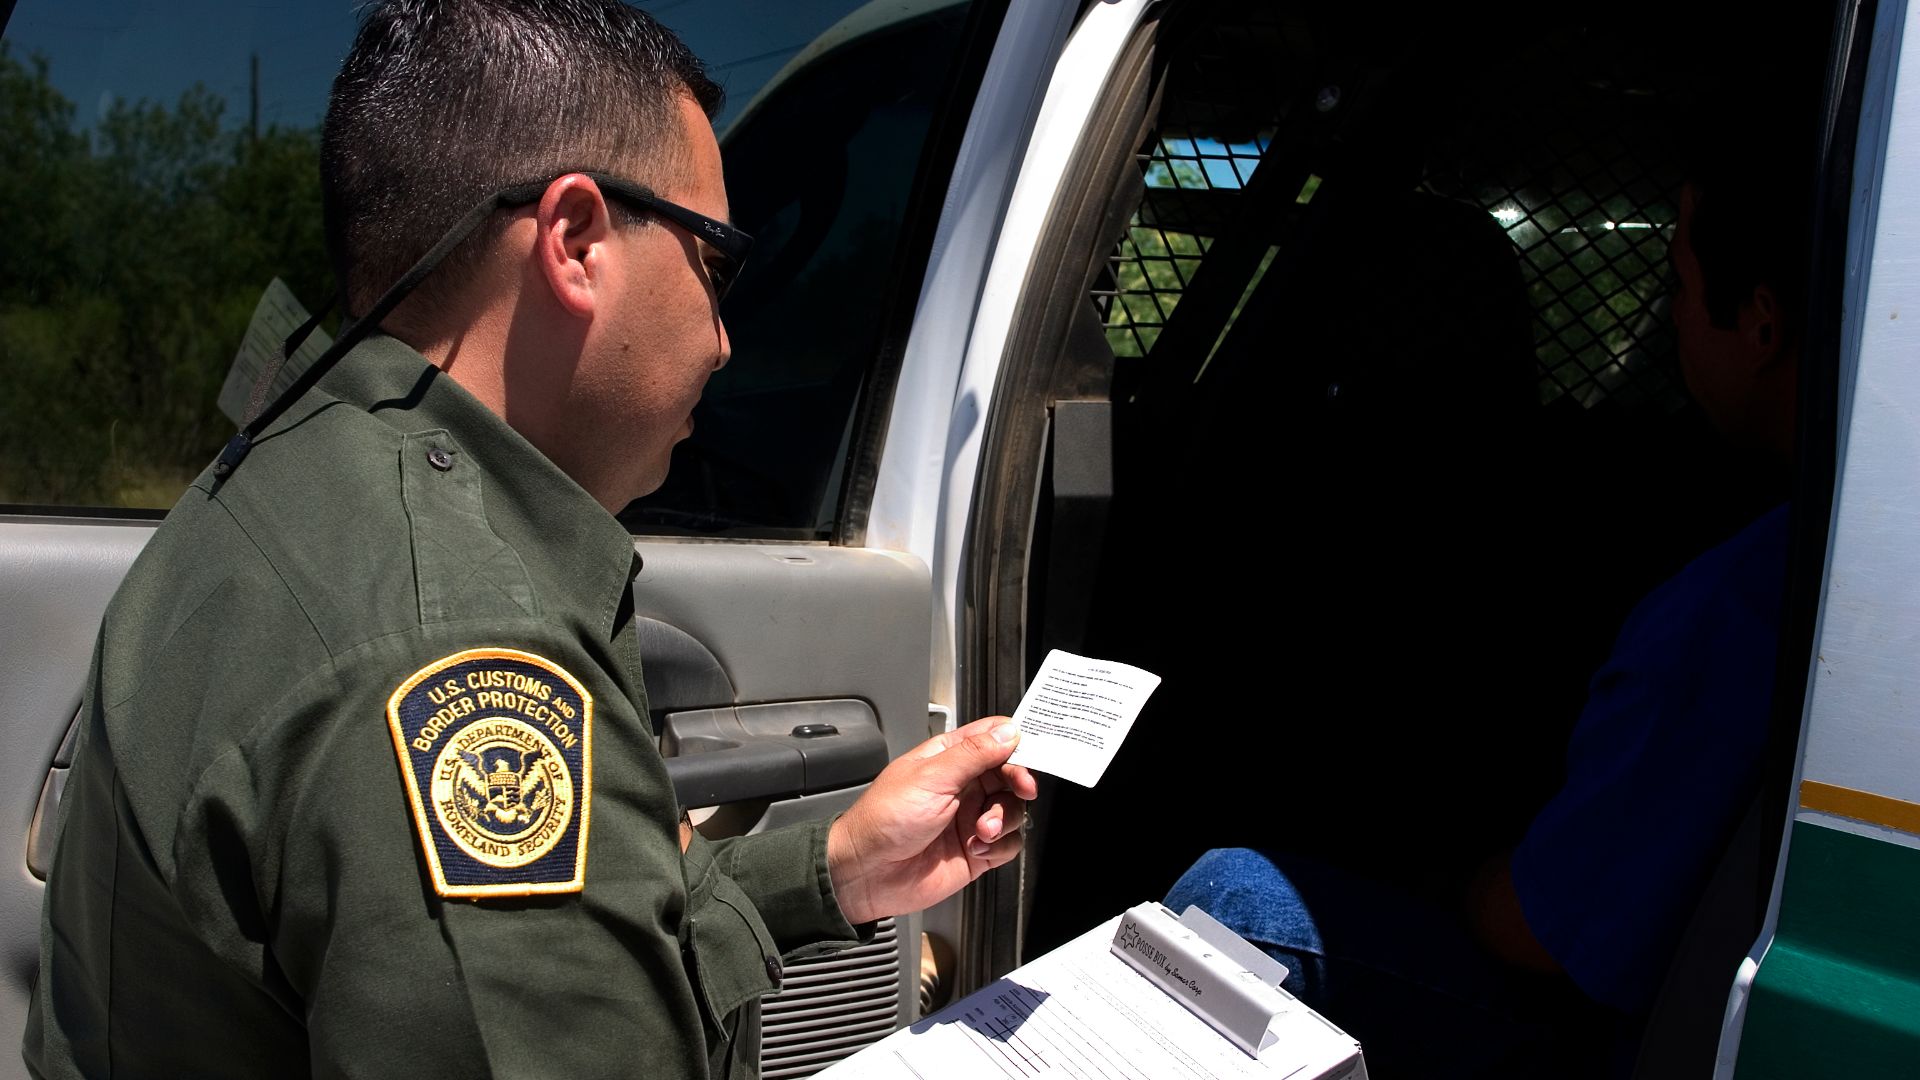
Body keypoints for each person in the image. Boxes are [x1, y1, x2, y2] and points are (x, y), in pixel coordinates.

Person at [24, 2, 1034, 1078]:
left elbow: (587, 944)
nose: (724, 339)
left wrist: (835, 870)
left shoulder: (285, 477)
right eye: (718, 265)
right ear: (577, 241)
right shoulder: (459, 640)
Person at [1164, 96, 1807, 1076]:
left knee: (1233, 897)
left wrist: (1446, 886)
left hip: (1609, 1035)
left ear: (1760, 322)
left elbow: (1542, 930)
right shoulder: (1785, 545)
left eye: (1676, 283)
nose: (1672, 314)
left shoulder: (1737, 609)